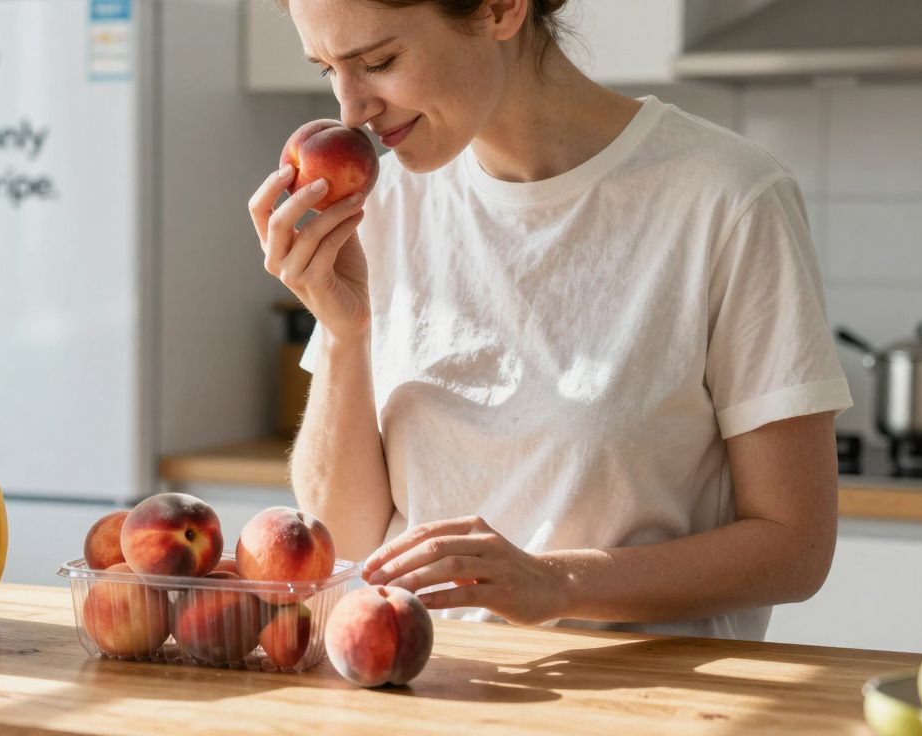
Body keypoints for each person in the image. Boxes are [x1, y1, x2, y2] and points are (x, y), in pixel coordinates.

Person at [246, 0, 852, 640]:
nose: (350, 109)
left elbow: (796, 548)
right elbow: (344, 541)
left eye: (379, 61)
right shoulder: (382, 206)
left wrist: (556, 582)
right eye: (327, 72)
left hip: (649, 706)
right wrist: (345, 333)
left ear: (502, 9)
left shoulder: (728, 199)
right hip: (423, 690)